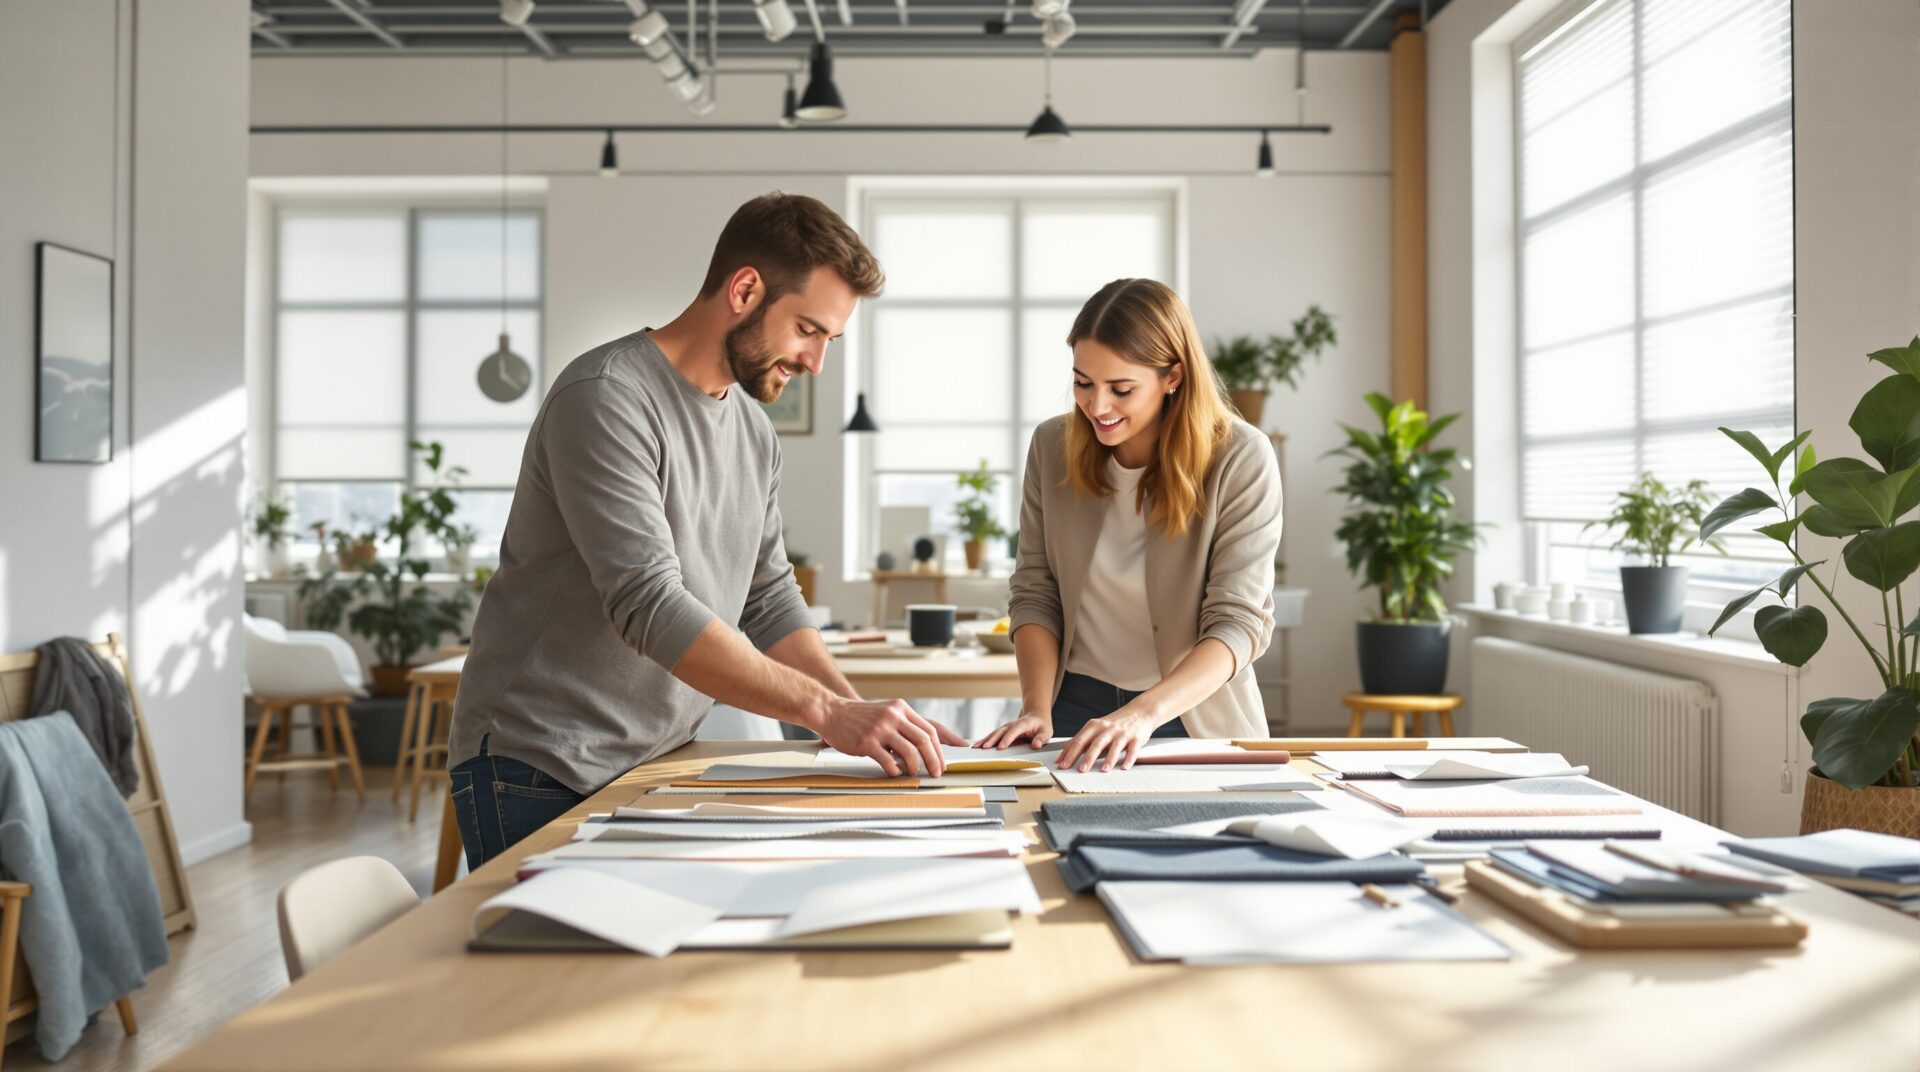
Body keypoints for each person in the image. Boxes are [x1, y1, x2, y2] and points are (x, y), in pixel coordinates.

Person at [447, 192, 965, 870]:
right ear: (746, 289)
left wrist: (860, 717)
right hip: (540, 765)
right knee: (566, 980)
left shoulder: (751, 429)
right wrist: (826, 714)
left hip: (653, 757)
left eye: (829, 341)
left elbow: (768, 597)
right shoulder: (605, 398)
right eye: (809, 330)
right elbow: (649, 604)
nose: (816, 363)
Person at [975, 277, 1283, 772]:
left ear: (1173, 377)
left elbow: (1239, 622)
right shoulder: (1051, 448)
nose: (1097, 407)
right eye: (1082, 383)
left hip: (1190, 712)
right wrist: (1036, 707)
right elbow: (1036, 590)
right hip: (1072, 707)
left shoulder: (1241, 457)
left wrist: (1139, 716)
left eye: (1121, 389)